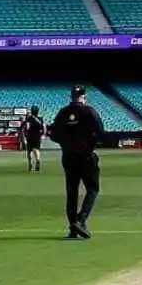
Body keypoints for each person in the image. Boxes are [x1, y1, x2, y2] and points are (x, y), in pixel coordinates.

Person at [48, 85, 105, 239]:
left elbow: (52, 134)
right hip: (86, 156)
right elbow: (101, 132)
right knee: (93, 189)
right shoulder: (89, 111)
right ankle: (80, 220)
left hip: (68, 156)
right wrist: (91, 144)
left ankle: (73, 228)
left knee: (71, 192)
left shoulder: (63, 112)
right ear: (84, 97)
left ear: (72, 97)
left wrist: (65, 144)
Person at [21, 106, 45, 172]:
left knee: (29, 151)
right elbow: (43, 127)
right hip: (37, 136)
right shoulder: (40, 118)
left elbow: (26, 127)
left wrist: (25, 135)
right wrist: (43, 134)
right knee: (36, 149)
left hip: (30, 136)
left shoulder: (29, 119)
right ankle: (38, 160)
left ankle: (30, 164)